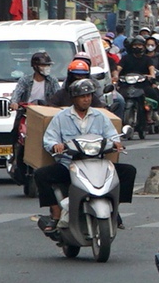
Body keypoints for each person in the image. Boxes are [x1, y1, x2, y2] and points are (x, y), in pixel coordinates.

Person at [36, 78, 130, 232]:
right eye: (82, 96)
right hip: (69, 165)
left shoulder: (100, 117)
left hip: (97, 164)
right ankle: (56, 213)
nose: (86, 99)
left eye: (89, 96)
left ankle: (114, 209)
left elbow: (112, 135)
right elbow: (49, 138)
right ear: (74, 98)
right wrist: (55, 145)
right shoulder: (61, 117)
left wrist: (116, 143)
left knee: (128, 172)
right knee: (41, 175)